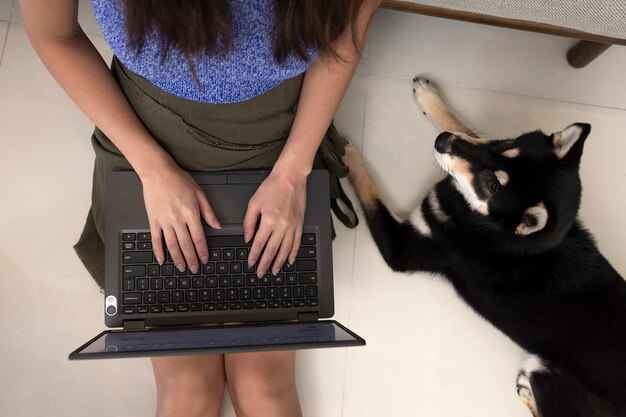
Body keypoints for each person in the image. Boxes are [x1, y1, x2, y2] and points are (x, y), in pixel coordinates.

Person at [20, 0, 380, 416]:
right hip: (143, 140)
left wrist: (294, 172)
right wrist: (154, 169)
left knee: (265, 387)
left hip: (280, 143)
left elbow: (344, 34)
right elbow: (54, 35)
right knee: (187, 390)